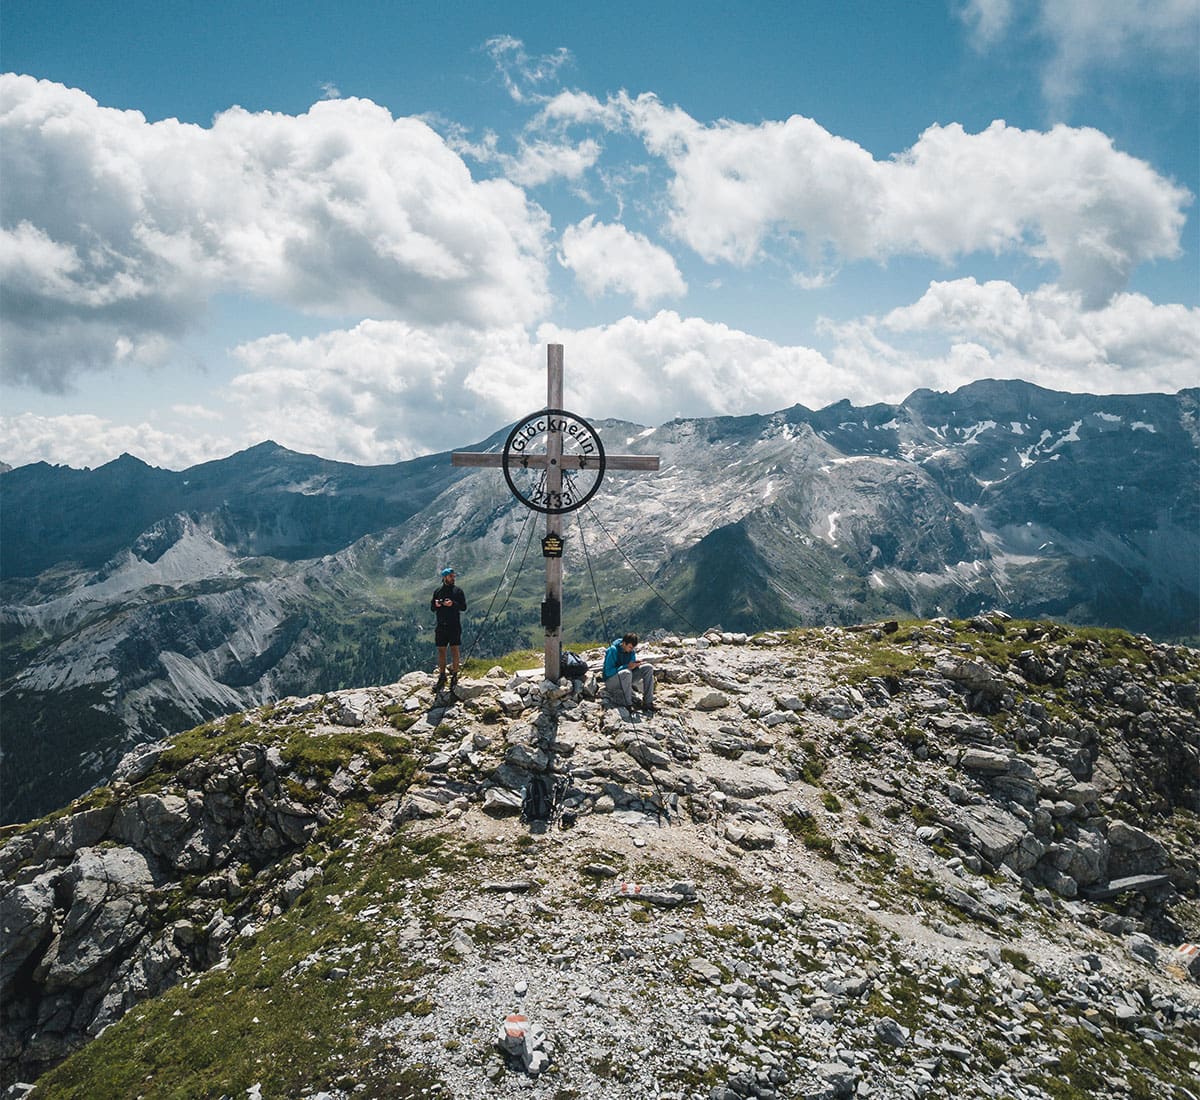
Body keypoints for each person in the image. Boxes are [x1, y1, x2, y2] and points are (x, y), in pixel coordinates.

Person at [430, 567, 466, 691]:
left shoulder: (458, 591)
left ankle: (455, 675)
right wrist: (436, 605)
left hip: (454, 625)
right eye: (451, 576)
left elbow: (463, 607)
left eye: (454, 576)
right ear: (445, 577)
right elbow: (432, 608)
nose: (453, 578)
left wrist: (453, 604)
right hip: (441, 625)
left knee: (454, 649)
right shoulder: (438, 591)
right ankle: (442, 675)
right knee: (441, 650)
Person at [602, 632, 654, 715]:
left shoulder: (631, 651)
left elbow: (631, 666)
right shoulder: (613, 650)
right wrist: (626, 666)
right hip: (611, 681)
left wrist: (636, 665)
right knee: (626, 672)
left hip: (626, 677)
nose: (631, 649)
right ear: (624, 643)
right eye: (630, 647)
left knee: (648, 668)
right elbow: (608, 672)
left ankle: (648, 702)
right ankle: (628, 704)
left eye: (633, 648)